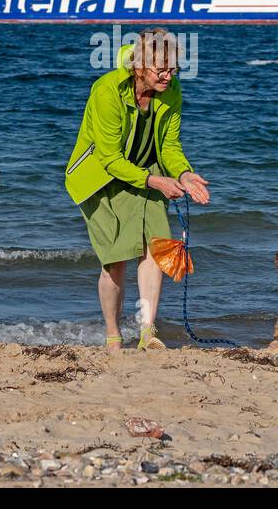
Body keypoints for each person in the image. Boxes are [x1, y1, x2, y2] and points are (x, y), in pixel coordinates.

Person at [64, 27, 210, 352]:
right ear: (140, 65)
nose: (169, 76)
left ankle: (147, 331)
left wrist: (184, 174)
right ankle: (113, 334)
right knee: (116, 260)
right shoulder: (107, 91)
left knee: (156, 248)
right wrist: (156, 181)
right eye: (162, 70)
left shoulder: (171, 92)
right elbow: (110, 157)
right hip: (102, 177)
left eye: (174, 69)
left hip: (148, 171)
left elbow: (170, 145)